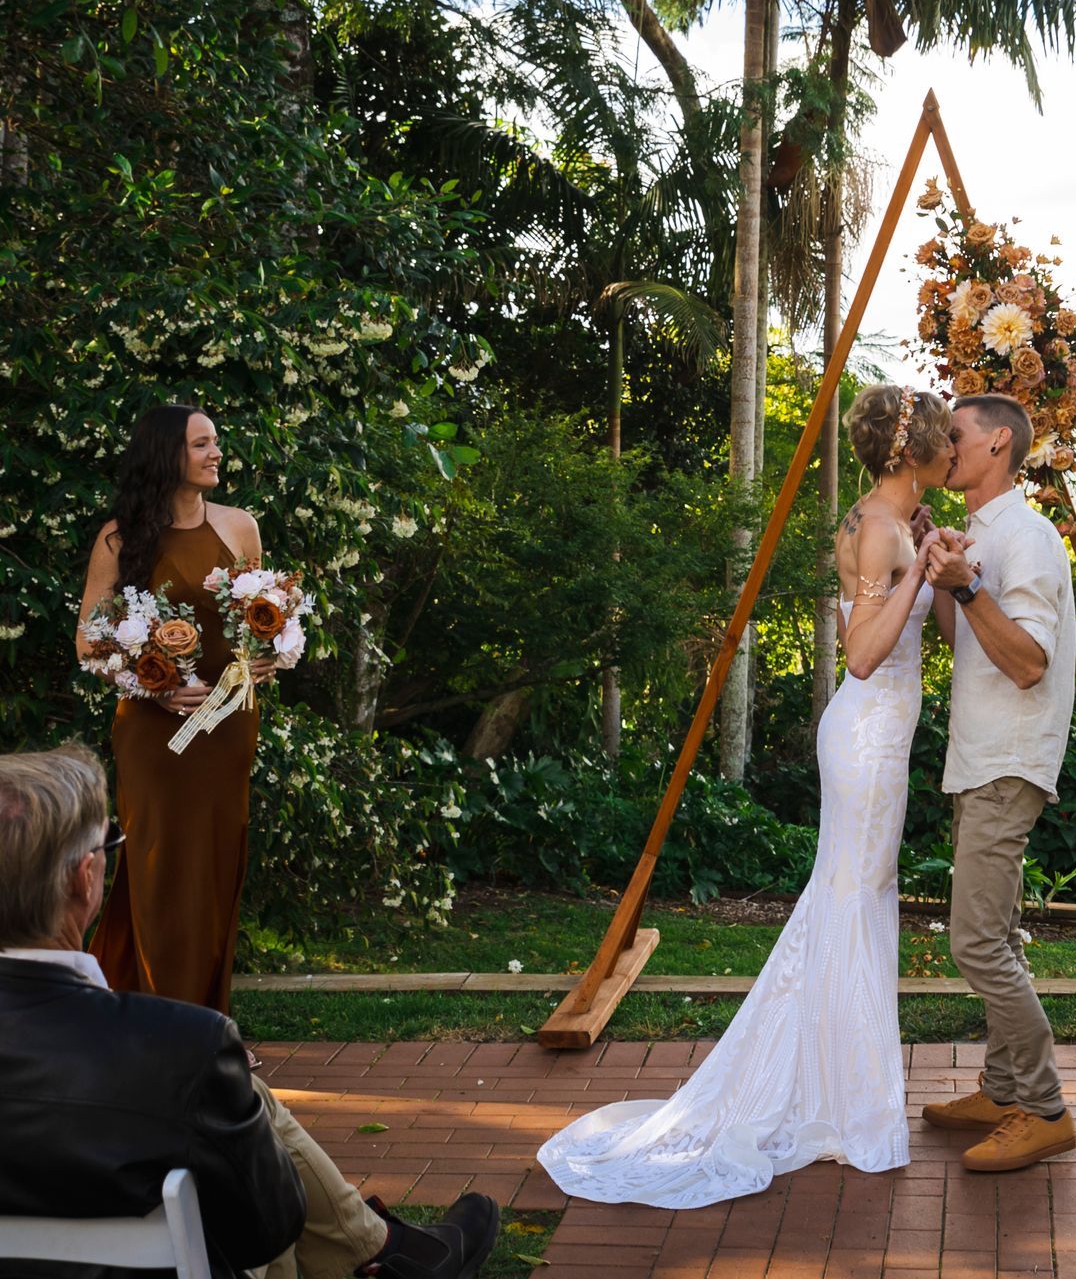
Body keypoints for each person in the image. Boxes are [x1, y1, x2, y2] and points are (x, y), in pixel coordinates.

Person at [538, 385, 955, 1209]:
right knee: (850, 905)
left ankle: (840, 1103)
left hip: (876, 739)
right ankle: (843, 1111)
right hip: (867, 740)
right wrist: (921, 570)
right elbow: (866, 654)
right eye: (945, 438)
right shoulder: (876, 529)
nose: (954, 448)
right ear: (914, 454)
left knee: (855, 906)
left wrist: (933, 564)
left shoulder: (886, 524)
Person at [0, 743, 499, 1279]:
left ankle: (387, 1249)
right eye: (109, 844)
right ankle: (387, 1253)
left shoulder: (177, 1047)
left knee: (242, 1099)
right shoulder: (178, 1044)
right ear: (83, 877)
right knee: (246, 1148)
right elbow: (268, 1229)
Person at [919, 393, 1076, 1173]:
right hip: (979, 753)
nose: (942, 446)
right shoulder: (983, 533)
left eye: (955, 436)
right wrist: (950, 577)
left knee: (976, 941)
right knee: (999, 934)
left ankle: (1044, 1107)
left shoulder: (1030, 537)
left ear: (998, 446)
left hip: (1010, 757)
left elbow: (1027, 664)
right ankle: (1005, 1087)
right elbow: (967, 644)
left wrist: (970, 586)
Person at [74, 404, 273, 1014]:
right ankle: (157, 1015)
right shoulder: (120, 537)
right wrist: (151, 686)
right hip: (154, 736)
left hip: (226, 725)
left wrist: (265, 655)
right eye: (201, 444)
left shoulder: (240, 527)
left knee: (215, 868)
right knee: (157, 866)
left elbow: (260, 621)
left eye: (215, 443)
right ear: (168, 455)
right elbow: (88, 640)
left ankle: (209, 1021)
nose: (215, 453)